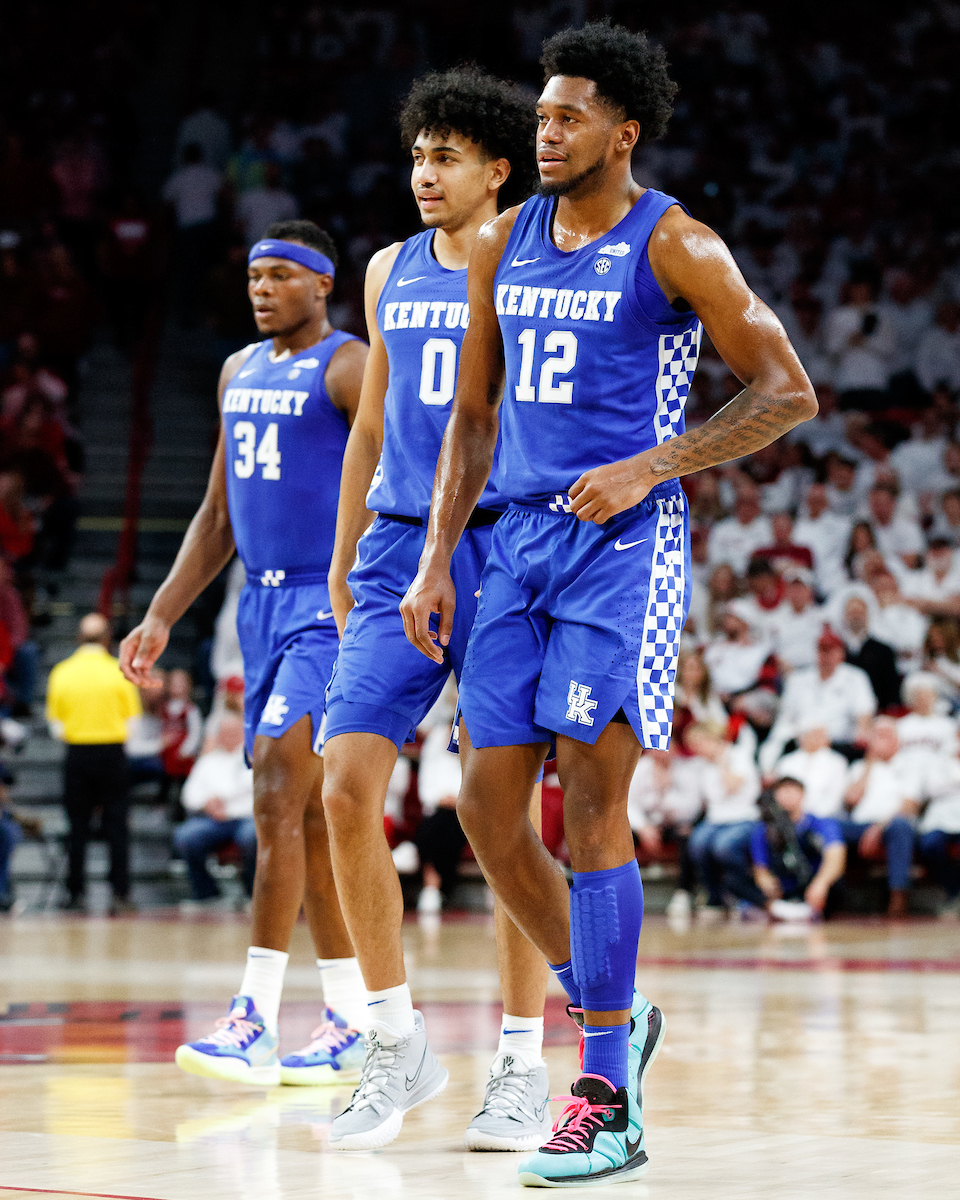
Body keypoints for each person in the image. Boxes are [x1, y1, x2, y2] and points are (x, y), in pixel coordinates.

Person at [399, 22, 816, 1187]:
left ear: (622, 132)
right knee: (485, 812)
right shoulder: (503, 243)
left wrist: (652, 464)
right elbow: (472, 420)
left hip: (624, 547)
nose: (544, 132)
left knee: (591, 808)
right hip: (514, 545)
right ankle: (612, 1014)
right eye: (539, 116)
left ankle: (606, 1104)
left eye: (567, 117)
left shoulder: (676, 244)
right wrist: (438, 559)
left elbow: (788, 392)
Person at [321, 67, 553, 1154]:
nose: (424, 173)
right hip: (394, 550)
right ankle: (394, 1039)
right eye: (418, 155)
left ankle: (518, 1062)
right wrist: (343, 555)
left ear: (498, 171)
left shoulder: (531, 267)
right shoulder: (384, 269)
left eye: (447, 157)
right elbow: (369, 424)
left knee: (494, 812)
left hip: (502, 548)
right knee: (344, 785)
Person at [118, 218, 371, 1088]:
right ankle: (349, 1016)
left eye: (280, 276)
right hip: (255, 607)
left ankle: (254, 1017)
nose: (262, 289)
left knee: (272, 789)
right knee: (304, 817)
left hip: (324, 602)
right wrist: (160, 614)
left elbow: (392, 482)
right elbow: (219, 515)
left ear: (321, 284)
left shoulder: (351, 365)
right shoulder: (235, 370)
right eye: (254, 276)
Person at [46, 613, 141, 914]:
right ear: (107, 638)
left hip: (78, 752)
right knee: (116, 826)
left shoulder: (62, 671)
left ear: (78, 638)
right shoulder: (118, 671)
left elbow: (55, 724)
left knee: (77, 827)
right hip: (112, 752)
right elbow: (134, 721)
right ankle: (120, 895)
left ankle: (76, 894)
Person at [760, 627, 876, 773]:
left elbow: (864, 714)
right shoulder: (798, 678)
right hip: (801, 740)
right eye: (822, 650)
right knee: (772, 748)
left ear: (841, 653)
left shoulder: (855, 677)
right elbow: (787, 716)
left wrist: (860, 735)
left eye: (831, 651)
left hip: (836, 742)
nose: (826, 656)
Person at [174, 712, 257, 908]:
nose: (229, 736)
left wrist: (222, 800)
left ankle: (252, 893)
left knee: (251, 837)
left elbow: (256, 788)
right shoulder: (207, 761)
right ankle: (206, 894)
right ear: (218, 735)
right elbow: (188, 794)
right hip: (213, 820)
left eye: (234, 732)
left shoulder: (254, 758)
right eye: (225, 732)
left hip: (246, 817)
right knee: (186, 836)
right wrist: (207, 803)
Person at [840, 717, 918, 918]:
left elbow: (909, 806)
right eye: (877, 735)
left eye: (887, 735)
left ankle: (898, 896)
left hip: (891, 824)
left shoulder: (909, 765)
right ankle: (834, 895)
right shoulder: (858, 766)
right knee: (827, 826)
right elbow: (851, 799)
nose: (881, 740)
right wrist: (869, 764)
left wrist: (878, 828)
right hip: (858, 826)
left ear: (897, 740)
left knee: (902, 826)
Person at [751, 777, 846, 919]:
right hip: (784, 884)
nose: (787, 796)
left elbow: (836, 857)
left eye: (791, 791)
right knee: (736, 879)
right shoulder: (764, 830)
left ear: (802, 794)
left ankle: (807, 910)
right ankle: (776, 908)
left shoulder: (822, 824)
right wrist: (766, 882)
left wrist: (821, 884)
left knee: (836, 883)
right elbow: (760, 867)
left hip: (812, 883)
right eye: (782, 792)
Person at [771, 722, 849, 817]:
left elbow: (835, 797)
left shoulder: (837, 762)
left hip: (825, 817)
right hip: (789, 816)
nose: (814, 738)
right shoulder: (786, 761)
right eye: (810, 734)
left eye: (819, 735)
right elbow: (782, 793)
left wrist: (811, 817)